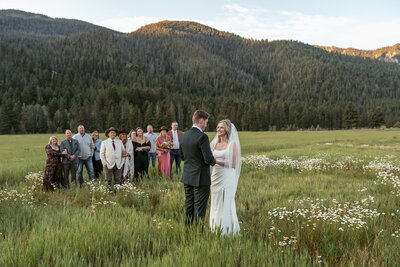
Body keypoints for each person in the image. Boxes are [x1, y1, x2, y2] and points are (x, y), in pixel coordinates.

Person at [180, 110, 216, 225]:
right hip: (201, 178)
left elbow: (182, 157)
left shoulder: (184, 135)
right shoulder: (202, 137)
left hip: (187, 177)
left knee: (189, 206)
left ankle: (188, 231)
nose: (206, 125)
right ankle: (198, 234)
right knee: (199, 209)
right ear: (201, 121)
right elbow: (209, 159)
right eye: (206, 122)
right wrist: (214, 161)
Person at [209, 119, 241, 235]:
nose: (219, 129)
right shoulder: (214, 144)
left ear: (227, 130)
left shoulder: (232, 144)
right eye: (218, 127)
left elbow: (233, 164)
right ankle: (215, 227)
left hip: (227, 176)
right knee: (216, 201)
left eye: (221, 127)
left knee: (226, 201)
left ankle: (227, 230)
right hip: (215, 176)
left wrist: (216, 161)